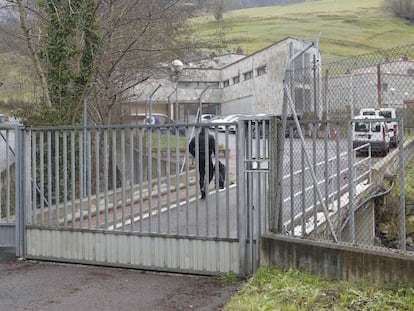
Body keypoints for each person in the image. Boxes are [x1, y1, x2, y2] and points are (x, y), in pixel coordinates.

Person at [189, 128, 215, 199]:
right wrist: (216, 156)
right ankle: (205, 186)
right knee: (211, 173)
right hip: (207, 157)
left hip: (199, 157)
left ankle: (202, 190)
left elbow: (190, 147)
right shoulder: (210, 137)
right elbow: (214, 148)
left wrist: (195, 154)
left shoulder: (196, 137)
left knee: (202, 174)